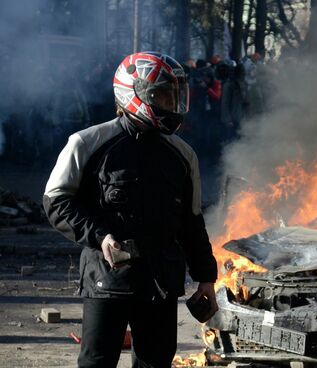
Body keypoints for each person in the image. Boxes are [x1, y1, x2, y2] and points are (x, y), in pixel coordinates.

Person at [42, 52, 218, 368]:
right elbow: (56, 201)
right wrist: (100, 236)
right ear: (133, 93)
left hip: (160, 282)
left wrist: (206, 277)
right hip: (106, 279)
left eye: (174, 95)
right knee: (97, 362)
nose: (171, 103)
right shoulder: (87, 143)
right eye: (163, 95)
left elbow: (191, 222)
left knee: (155, 363)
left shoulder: (183, 155)